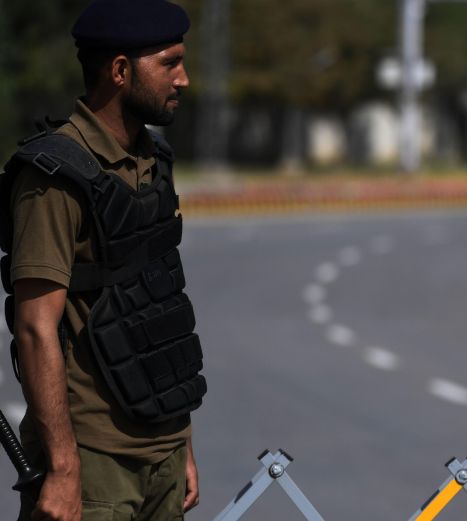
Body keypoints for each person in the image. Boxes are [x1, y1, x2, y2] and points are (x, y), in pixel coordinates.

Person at [0, 0, 207, 519]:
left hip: (162, 450)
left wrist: (180, 440)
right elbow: (35, 328)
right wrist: (64, 470)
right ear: (119, 71)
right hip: (94, 463)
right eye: (170, 63)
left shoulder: (153, 160)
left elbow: (159, 305)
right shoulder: (54, 176)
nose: (183, 79)